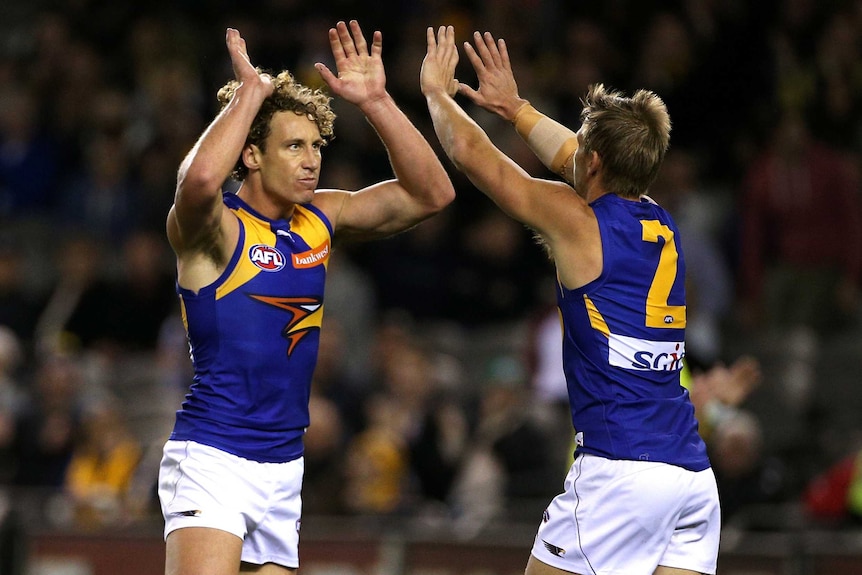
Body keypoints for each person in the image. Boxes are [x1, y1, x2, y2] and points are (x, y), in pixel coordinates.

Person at [158, 21, 454, 575]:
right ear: (250, 154)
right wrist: (249, 95)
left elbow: (432, 194)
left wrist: (377, 101)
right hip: (214, 456)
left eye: (316, 146)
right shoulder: (216, 230)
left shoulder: (320, 218)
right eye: (294, 145)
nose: (311, 159)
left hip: (283, 466)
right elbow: (196, 184)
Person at [421, 26, 719, 575]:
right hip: (691, 480)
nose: (572, 152)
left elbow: (472, 154)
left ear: (596, 162)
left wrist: (438, 94)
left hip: (620, 472)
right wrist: (517, 108)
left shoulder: (577, 221)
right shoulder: (659, 220)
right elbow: (574, 156)